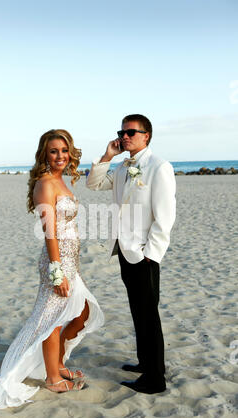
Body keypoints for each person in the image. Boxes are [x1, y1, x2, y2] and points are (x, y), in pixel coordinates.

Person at [0, 129, 104, 408]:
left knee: (82, 313)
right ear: (44, 154)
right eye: (54, 151)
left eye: (64, 150)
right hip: (56, 262)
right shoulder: (45, 184)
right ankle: (53, 378)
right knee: (51, 320)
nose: (61, 156)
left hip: (70, 261)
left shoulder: (60, 180)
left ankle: (56, 363)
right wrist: (57, 271)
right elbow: (49, 232)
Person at [86, 114, 176, 394]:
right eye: (122, 132)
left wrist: (152, 253)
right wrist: (108, 155)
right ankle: (146, 363)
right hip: (124, 250)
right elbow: (93, 184)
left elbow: (165, 216)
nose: (125, 137)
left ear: (146, 135)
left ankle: (154, 379)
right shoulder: (124, 167)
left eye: (131, 132)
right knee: (139, 312)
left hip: (144, 254)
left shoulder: (158, 167)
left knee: (149, 315)